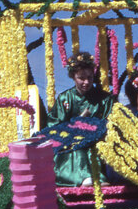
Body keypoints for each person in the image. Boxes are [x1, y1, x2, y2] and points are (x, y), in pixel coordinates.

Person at [46, 51, 115, 186]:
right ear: (73, 77)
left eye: (90, 77)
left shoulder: (105, 99)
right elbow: (54, 126)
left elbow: (110, 122)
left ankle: (97, 178)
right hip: (70, 143)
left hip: (97, 141)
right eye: (81, 78)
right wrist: (74, 127)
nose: (86, 82)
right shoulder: (65, 98)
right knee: (77, 148)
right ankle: (83, 178)